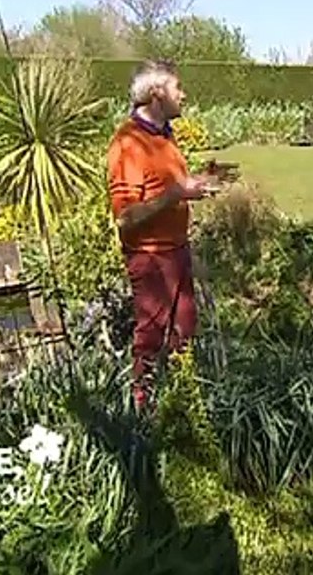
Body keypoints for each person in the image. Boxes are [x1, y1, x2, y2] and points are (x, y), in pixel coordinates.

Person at [107, 60, 217, 412]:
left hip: (177, 252)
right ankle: (144, 413)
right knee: (151, 340)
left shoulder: (164, 136)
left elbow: (168, 186)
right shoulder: (128, 144)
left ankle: (183, 412)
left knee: (184, 333)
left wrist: (193, 185)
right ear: (157, 93)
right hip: (151, 258)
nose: (183, 94)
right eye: (177, 87)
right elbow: (125, 218)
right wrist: (176, 195)